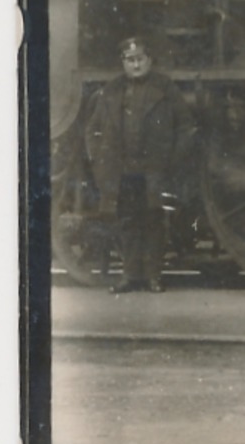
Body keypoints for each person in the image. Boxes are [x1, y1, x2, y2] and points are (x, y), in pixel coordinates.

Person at [82, 36, 195, 294]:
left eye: (140, 59)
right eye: (130, 60)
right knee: (127, 222)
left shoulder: (165, 89)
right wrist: (99, 159)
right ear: (123, 62)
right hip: (122, 170)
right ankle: (130, 276)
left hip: (155, 169)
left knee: (154, 221)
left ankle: (154, 276)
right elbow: (93, 129)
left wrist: (173, 160)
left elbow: (186, 127)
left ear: (149, 60)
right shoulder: (110, 90)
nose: (135, 65)